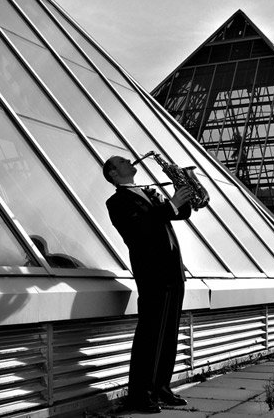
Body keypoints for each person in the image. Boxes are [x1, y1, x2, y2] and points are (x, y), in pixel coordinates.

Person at [102, 155, 194, 413]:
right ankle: (139, 395)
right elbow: (140, 229)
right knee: (150, 334)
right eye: (121, 162)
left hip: (173, 271)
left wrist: (180, 195)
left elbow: (178, 214)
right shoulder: (117, 202)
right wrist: (170, 206)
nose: (129, 160)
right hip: (152, 273)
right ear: (113, 173)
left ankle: (161, 387)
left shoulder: (149, 193)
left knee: (169, 333)